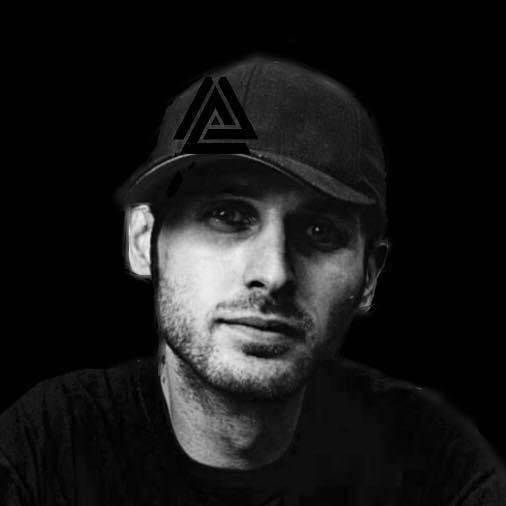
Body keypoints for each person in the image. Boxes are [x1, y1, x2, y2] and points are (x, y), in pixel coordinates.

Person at [1, 55, 505, 506]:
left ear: (370, 276)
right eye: (227, 215)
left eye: (319, 231)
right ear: (142, 241)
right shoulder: (44, 450)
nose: (273, 273)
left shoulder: (435, 467)